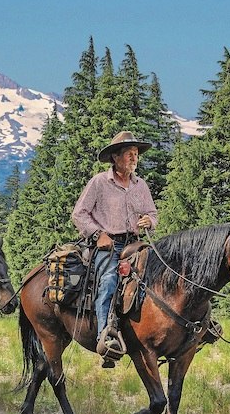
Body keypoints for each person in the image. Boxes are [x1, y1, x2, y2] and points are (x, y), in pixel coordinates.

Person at [71, 131, 158, 367]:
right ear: (115, 158)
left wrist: (148, 221)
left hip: (135, 243)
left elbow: (152, 213)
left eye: (136, 154)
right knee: (109, 281)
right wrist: (99, 235)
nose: (134, 158)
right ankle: (105, 335)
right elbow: (79, 214)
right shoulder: (99, 182)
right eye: (129, 154)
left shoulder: (141, 185)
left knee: (159, 275)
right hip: (107, 245)